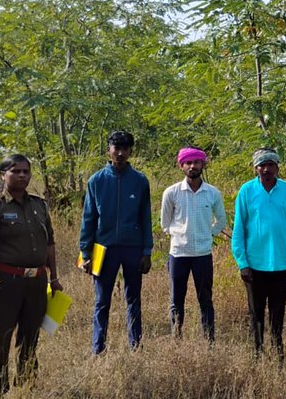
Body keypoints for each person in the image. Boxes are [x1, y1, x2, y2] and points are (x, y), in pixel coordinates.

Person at [0, 154, 60, 397]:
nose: (22, 176)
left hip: (36, 281)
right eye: (16, 171)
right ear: (3, 175)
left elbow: (49, 242)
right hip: (6, 283)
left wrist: (54, 277)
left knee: (30, 339)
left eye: (26, 171)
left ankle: (26, 390)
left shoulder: (38, 205)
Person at [79, 130, 154, 355]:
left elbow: (146, 217)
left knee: (134, 300)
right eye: (116, 148)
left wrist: (147, 251)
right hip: (104, 248)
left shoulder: (140, 181)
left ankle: (136, 347)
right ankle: (98, 349)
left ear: (131, 151)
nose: (120, 153)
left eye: (125, 149)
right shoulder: (97, 181)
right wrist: (85, 252)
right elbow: (89, 218)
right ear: (109, 150)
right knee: (102, 301)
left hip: (132, 248)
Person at [232, 148, 286, 364]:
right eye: (262, 165)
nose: (266, 169)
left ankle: (278, 352)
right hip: (254, 266)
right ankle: (257, 353)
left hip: (281, 264)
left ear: (277, 167)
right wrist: (242, 263)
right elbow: (238, 231)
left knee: (277, 312)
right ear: (256, 168)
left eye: (270, 165)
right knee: (256, 314)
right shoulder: (246, 191)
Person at [159, 146, 227, 343]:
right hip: (178, 253)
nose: (192, 166)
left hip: (203, 254)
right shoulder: (171, 193)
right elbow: (165, 223)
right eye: (188, 163)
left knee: (205, 299)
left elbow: (221, 220)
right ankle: (176, 339)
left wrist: (208, 234)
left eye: (196, 162)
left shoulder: (212, 193)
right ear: (181, 166)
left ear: (202, 164)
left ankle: (209, 341)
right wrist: (179, 235)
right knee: (176, 300)